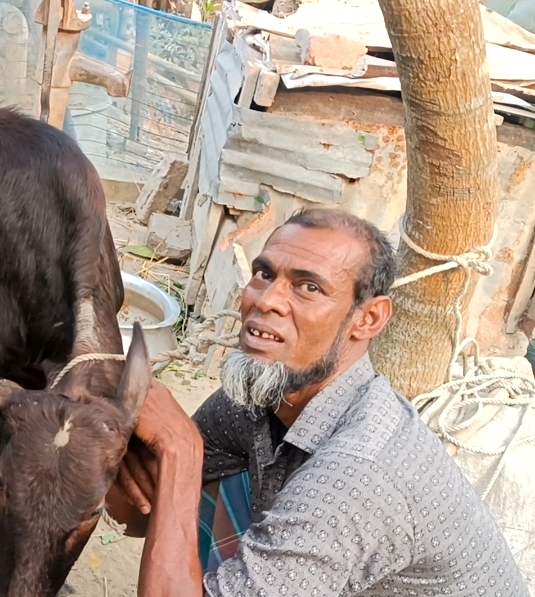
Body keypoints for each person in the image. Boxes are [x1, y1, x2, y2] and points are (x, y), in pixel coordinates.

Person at [105, 208, 529, 597]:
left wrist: (181, 448)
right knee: (200, 487)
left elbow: (171, 485)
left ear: (368, 319)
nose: (266, 300)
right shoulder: (262, 394)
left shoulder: (360, 470)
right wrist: (120, 439)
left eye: (308, 287)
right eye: (263, 273)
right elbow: (138, 514)